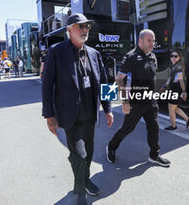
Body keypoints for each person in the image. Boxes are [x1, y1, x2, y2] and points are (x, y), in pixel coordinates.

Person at [42, 13, 114, 205]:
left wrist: (107, 109)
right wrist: (49, 115)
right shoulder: (56, 51)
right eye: (80, 26)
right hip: (68, 114)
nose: (84, 30)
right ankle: (80, 192)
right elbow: (47, 85)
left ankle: (85, 178)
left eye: (87, 27)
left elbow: (105, 82)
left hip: (91, 113)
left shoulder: (94, 54)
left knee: (88, 152)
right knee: (80, 154)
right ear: (68, 29)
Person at [106, 29, 171, 167]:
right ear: (140, 41)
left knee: (154, 127)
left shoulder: (153, 56)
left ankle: (154, 155)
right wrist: (125, 101)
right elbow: (119, 79)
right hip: (135, 101)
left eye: (153, 40)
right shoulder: (130, 57)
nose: (152, 43)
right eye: (149, 40)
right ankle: (111, 146)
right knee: (127, 128)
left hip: (150, 100)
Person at [161, 49, 189, 131]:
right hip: (173, 89)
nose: (173, 57)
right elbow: (170, 78)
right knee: (174, 108)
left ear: (179, 57)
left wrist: (183, 91)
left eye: (175, 56)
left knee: (171, 107)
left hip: (176, 89)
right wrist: (165, 86)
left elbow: (180, 80)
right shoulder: (174, 66)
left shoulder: (178, 66)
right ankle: (188, 120)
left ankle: (174, 126)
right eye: (172, 56)